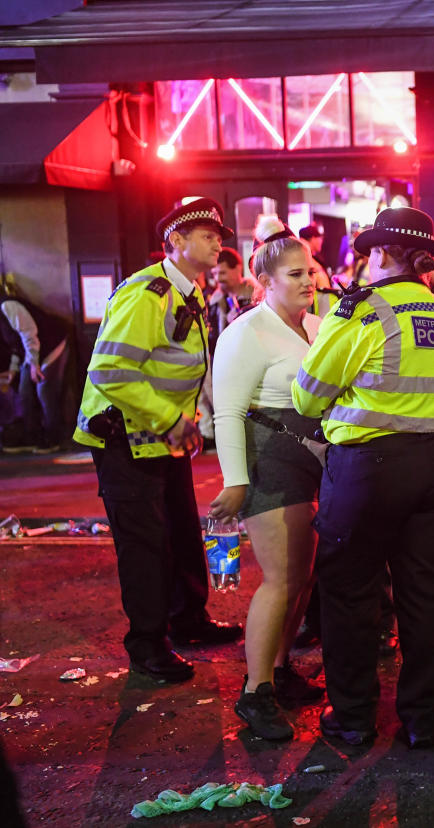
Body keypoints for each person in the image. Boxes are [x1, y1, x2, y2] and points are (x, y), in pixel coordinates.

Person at [293, 207, 434, 749]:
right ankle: (421, 720)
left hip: (368, 470)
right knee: (423, 592)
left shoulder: (364, 312)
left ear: (380, 254)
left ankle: (352, 718)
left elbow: (306, 395)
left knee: (350, 594)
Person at [74, 197, 242, 684]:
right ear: (176, 242)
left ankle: (188, 620)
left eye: (218, 236)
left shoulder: (185, 292)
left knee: (182, 533)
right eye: (207, 235)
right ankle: (147, 645)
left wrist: (186, 422)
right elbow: (110, 370)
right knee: (145, 545)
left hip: (160, 438)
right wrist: (171, 419)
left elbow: (175, 369)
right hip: (124, 440)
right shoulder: (148, 292)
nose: (217, 243)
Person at [208, 217, 325, 740]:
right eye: (296, 274)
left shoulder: (317, 325)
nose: (309, 281)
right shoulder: (245, 333)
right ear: (266, 280)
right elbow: (227, 412)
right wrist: (235, 481)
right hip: (267, 458)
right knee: (279, 578)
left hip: (311, 457)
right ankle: (254, 693)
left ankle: (278, 671)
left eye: (311, 272)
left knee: (300, 575)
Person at [0, 284, 70, 452]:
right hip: (35, 349)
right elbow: (15, 342)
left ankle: (54, 438)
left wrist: (34, 364)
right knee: (25, 393)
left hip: (51, 343)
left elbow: (29, 333)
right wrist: (13, 369)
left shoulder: (6, 306)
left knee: (44, 390)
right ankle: (33, 436)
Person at [207, 248, 263, 350]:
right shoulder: (213, 302)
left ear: (238, 269)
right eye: (214, 273)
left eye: (222, 273)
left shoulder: (256, 296)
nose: (217, 278)